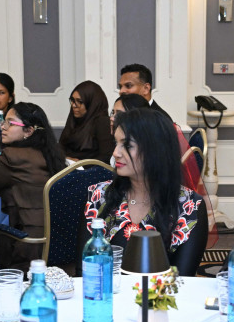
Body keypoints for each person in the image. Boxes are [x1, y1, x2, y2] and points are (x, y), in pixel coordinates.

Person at [82, 107, 208, 276]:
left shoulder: (189, 207)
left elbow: (182, 279)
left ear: (155, 150)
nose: (115, 153)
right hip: (106, 291)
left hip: (163, 293)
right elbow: (84, 270)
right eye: (116, 143)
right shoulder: (99, 196)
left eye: (127, 145)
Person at [0, 102, 67, 271]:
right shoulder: (53, 156)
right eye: (4, 122)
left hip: (29, 247)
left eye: (10, 123)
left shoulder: (12, 157)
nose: (2, 127)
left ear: (29, 131)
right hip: (61, 244)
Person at [59, 81, 113, 161]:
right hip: (66, 165)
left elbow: (106, 157)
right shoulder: (73, 119)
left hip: (89, 168)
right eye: (72, 100)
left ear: (92, 104)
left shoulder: (102, 122)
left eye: (79, 102)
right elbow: (61, 146)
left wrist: (80, 163)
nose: (74, 105)